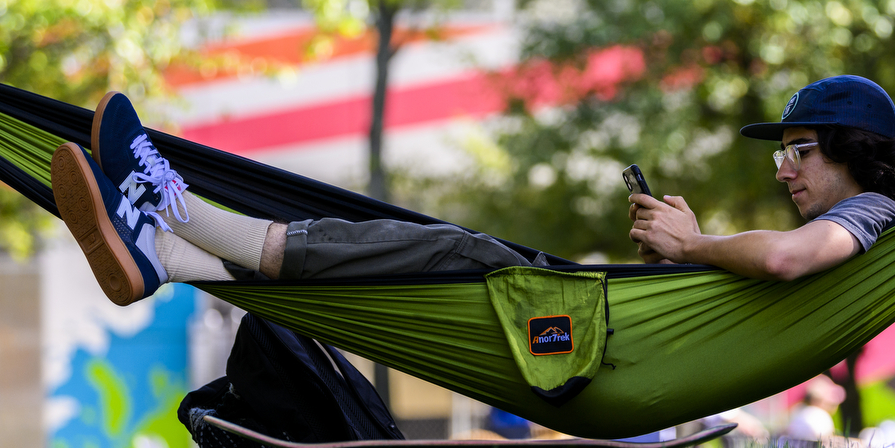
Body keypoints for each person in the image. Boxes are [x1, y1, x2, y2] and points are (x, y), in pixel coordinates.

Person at [50, 93, 548, 306]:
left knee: (459, 254)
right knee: (468, 263)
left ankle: (174, 215)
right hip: (562, 309)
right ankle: (165, 254)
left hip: (555, 317)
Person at [628, 75, 895, 278]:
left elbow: (779, 259)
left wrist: (689, 243)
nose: (783, 173)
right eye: (782, 154)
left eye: (800, 152)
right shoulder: (845, 234)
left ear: (854, 151)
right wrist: (679, 257)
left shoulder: (875, 207)